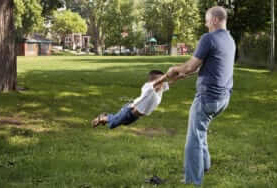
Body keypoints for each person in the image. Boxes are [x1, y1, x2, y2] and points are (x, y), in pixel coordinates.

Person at [155, 6, 236, 186]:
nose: (206, 24)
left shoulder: (209, 38)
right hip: (223, 99)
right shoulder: (229, 40)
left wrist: (174, 70)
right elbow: (206, 65)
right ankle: (204, 165)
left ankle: (193, 180)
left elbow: (190, 66)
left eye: (207, 20)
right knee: (201, 130)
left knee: (193, 139)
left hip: (208, 98)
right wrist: (187, 74)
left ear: (215, 20)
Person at [91, 70, 175, 129]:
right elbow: (160, 80)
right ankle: (102, 118)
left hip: (135, 116)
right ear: (152, 81)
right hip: (129, 110)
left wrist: (181, 76)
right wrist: (167, 75)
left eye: (162, 83)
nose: (161, 84)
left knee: (124, 122)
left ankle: (106, 117)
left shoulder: (160, 89)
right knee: (113, 124)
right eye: (159, 82)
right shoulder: (148, 87)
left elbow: (170, 82)